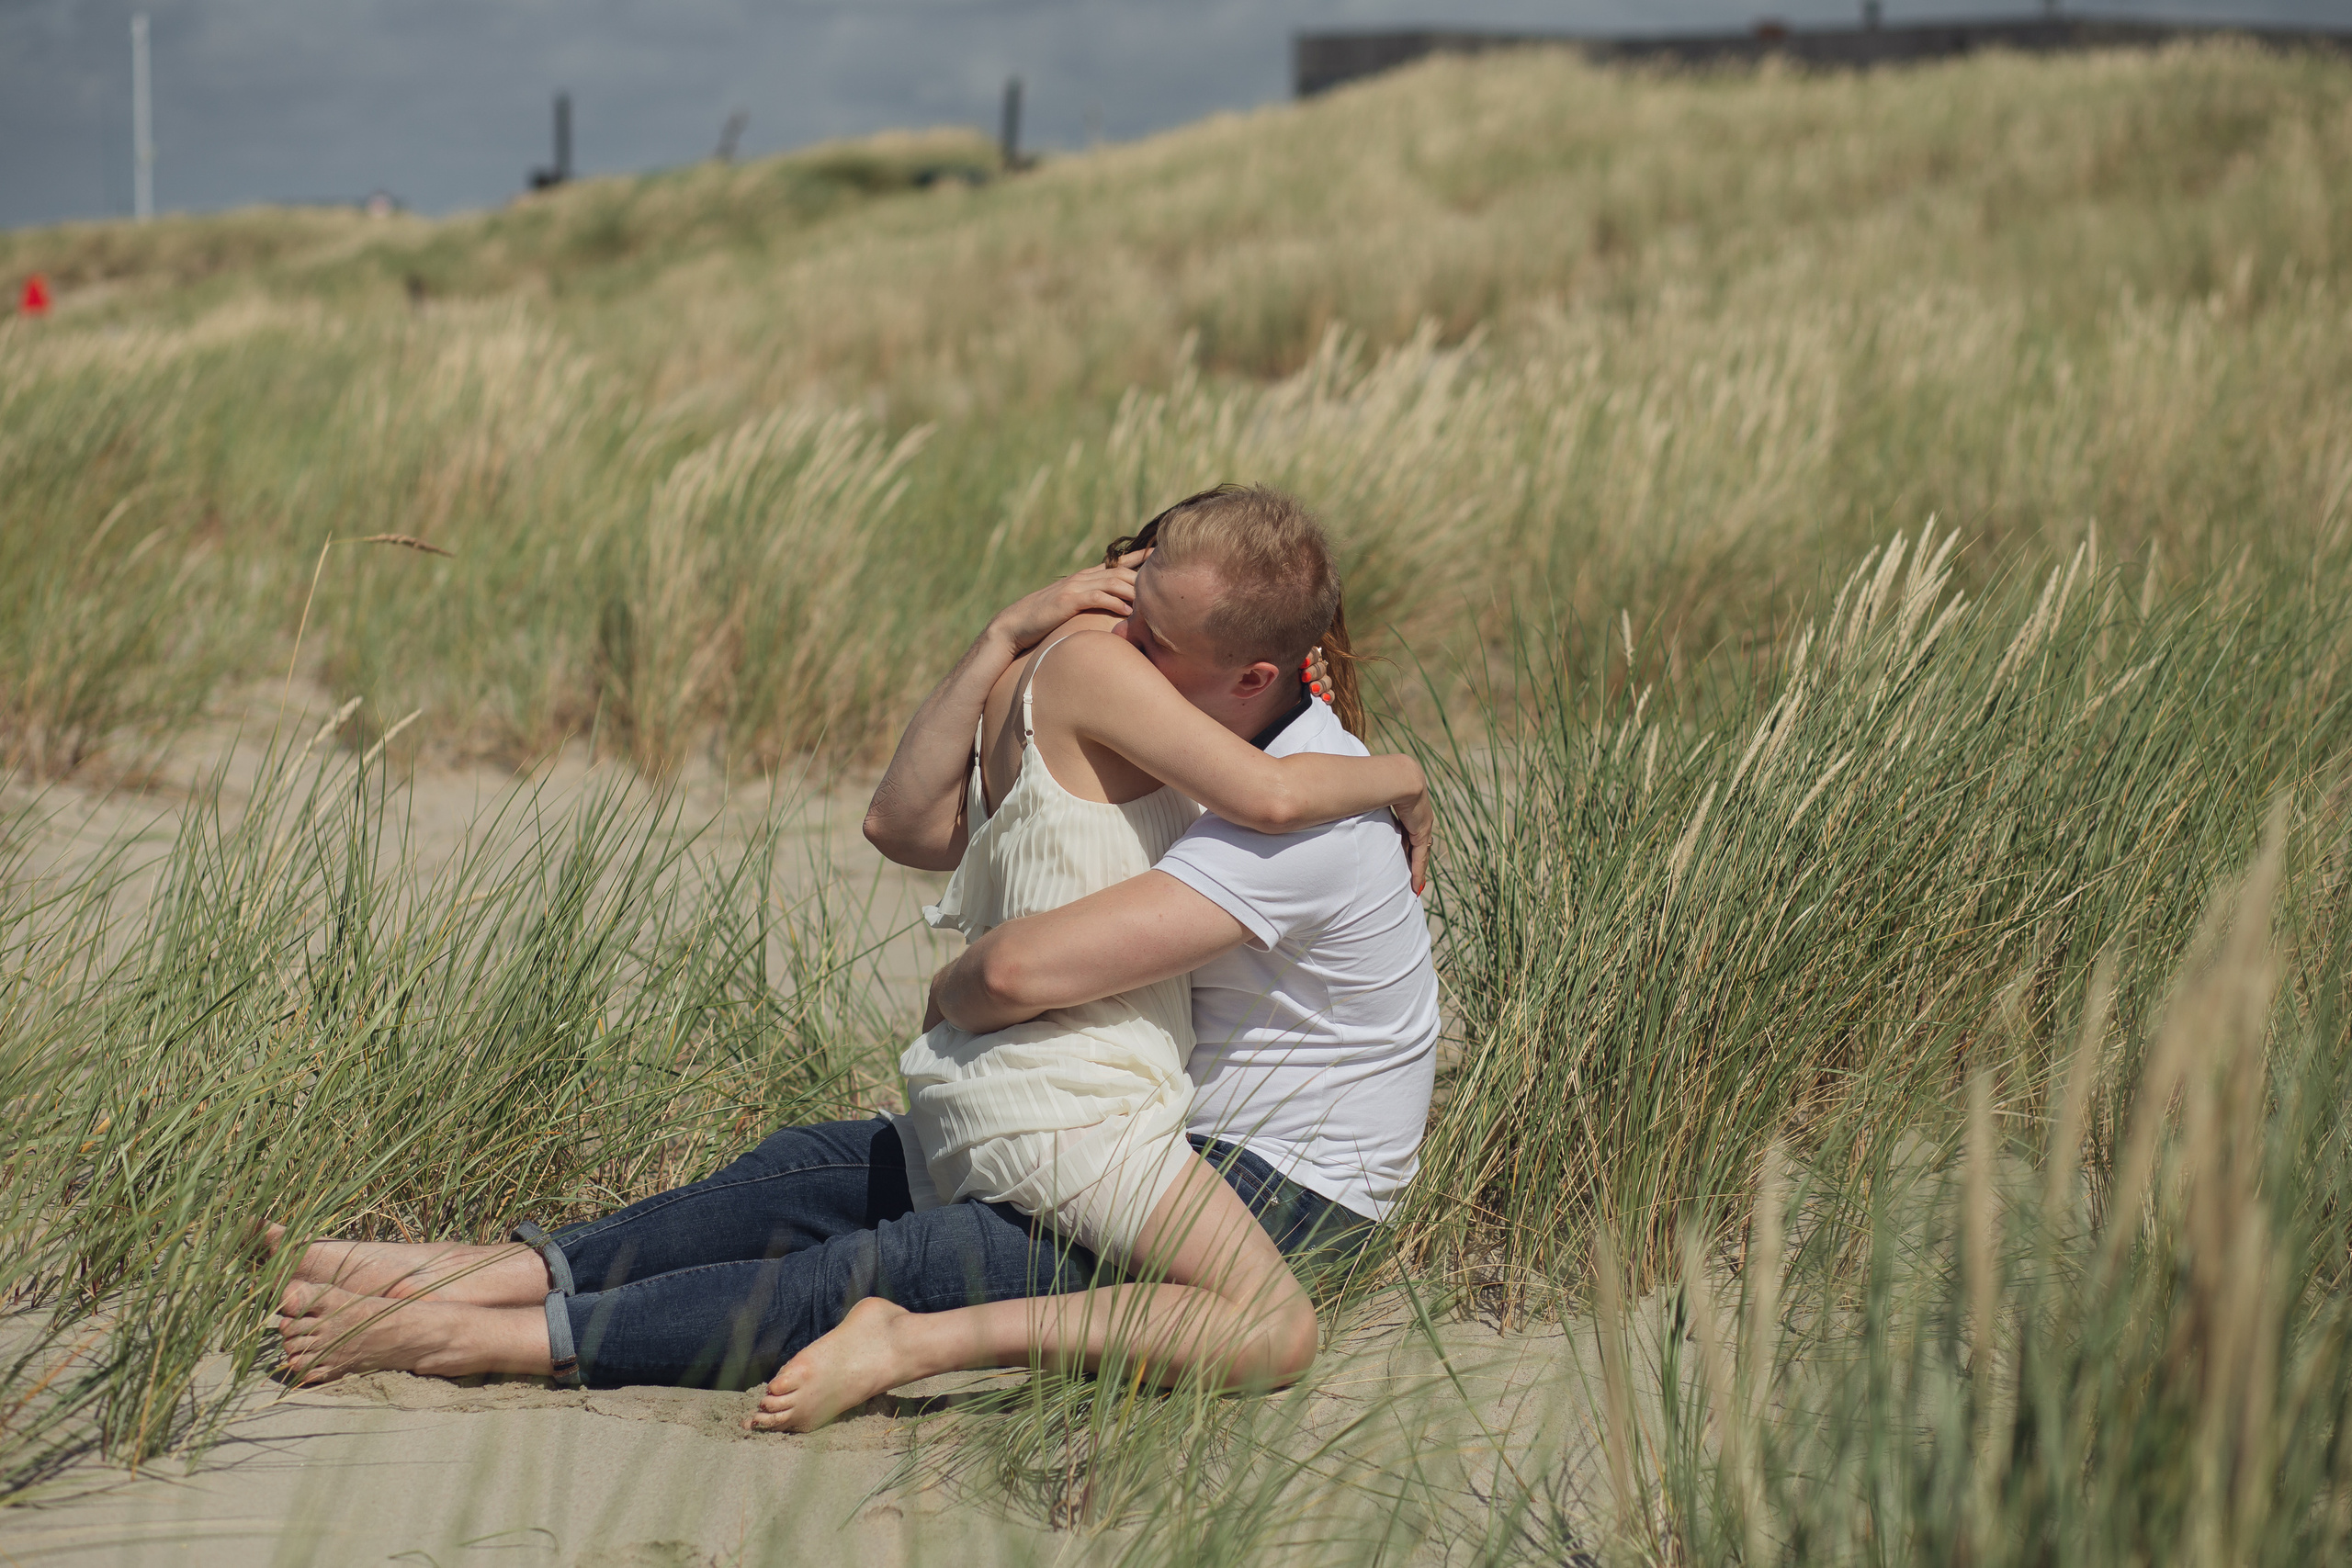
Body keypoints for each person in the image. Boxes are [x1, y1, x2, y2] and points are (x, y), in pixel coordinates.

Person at [273, 487, 1442, 1433]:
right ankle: (467, 1279)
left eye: (1158, 638)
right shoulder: (1179, 722)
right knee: (822, 1171)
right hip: (1133, 1115)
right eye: (1129, 600)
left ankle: (485, 1333)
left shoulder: (1299, 812)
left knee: (911, 1253)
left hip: (1277, 1180)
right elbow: (914, 836)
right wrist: (1000, 641)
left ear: (1249, 677)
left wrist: (955, 989)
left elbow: (1010, 964)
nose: (1123, 640)